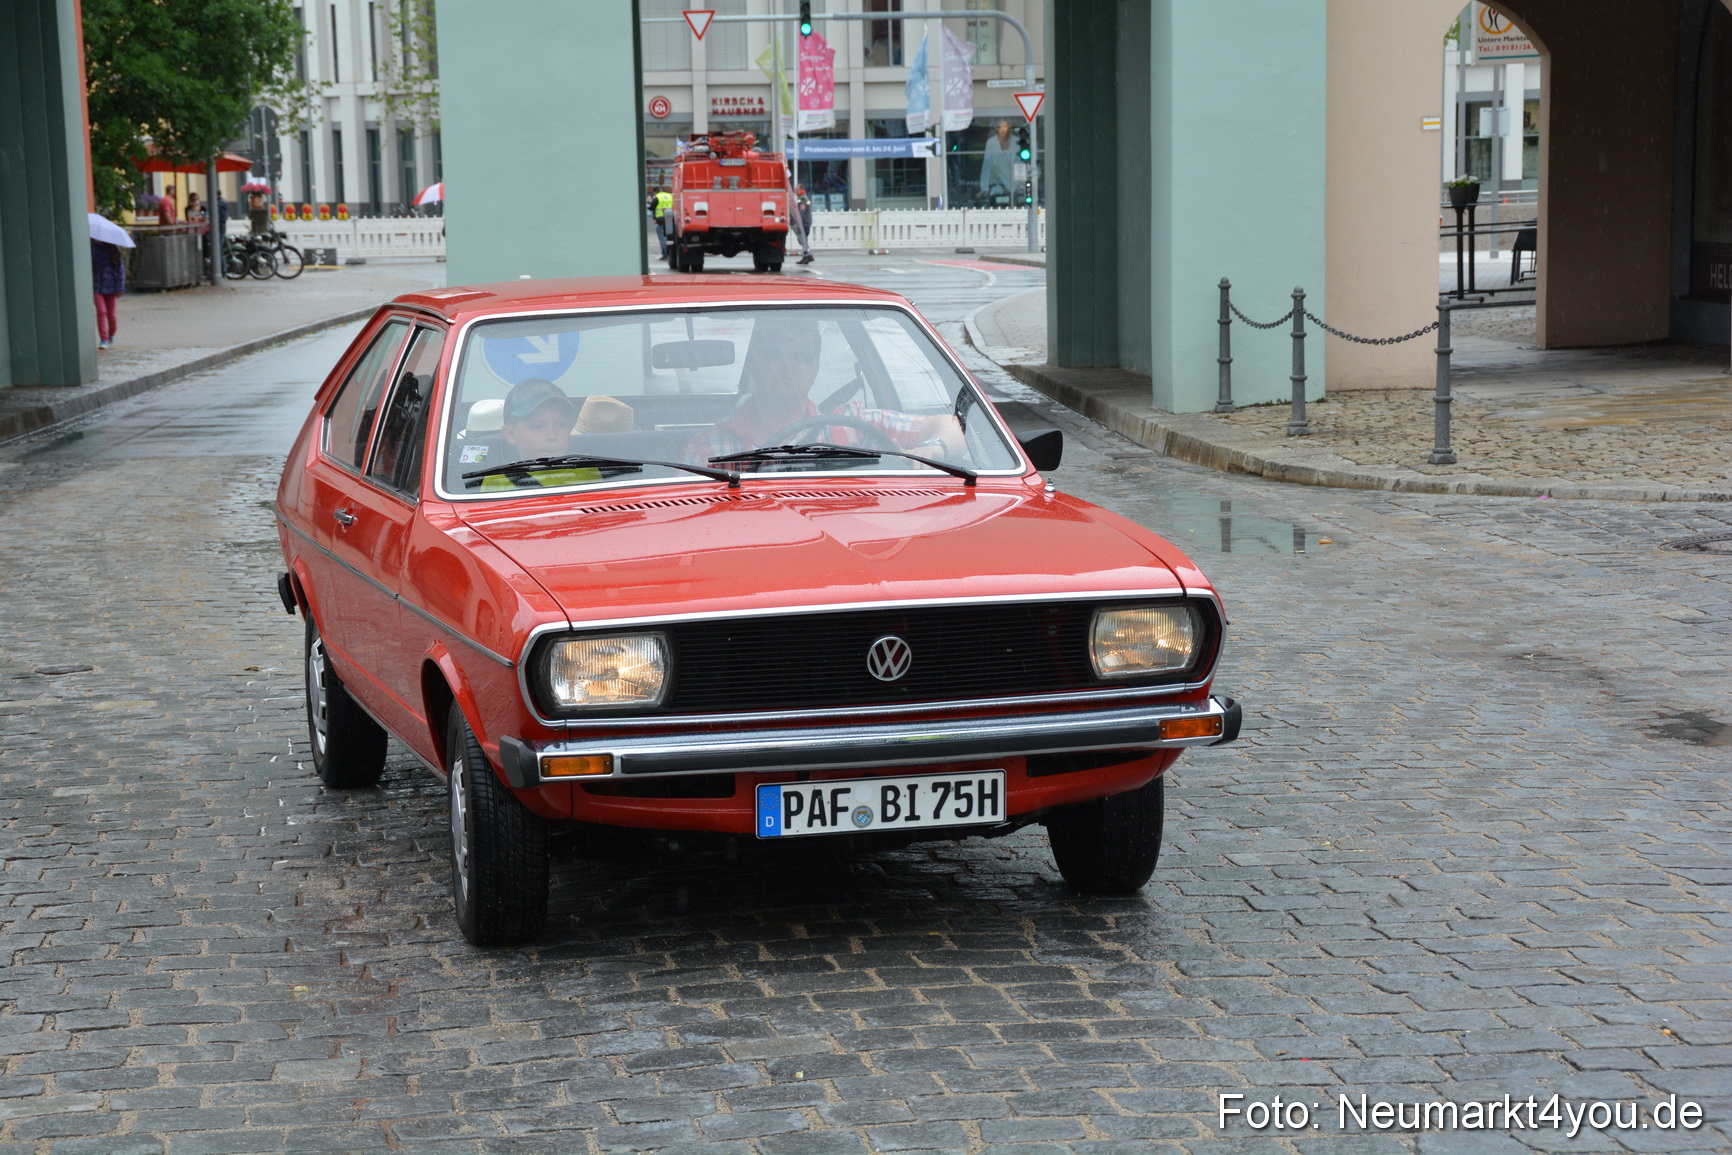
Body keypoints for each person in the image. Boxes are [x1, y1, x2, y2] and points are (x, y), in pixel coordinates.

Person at [683, 316, 964, 464]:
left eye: (802, 355)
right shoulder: (707, 448)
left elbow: (953, 427)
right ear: (755, 362)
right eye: (775, 352)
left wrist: (933, 452)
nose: (788, 364)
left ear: (815, 367)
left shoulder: (858, 427)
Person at [90, 239, 125, 350]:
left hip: (111, 288)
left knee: (112, 316)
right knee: (101, 312)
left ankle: (111, 334)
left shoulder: (113, 250)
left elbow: (120, 271)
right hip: (96, 287)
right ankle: (103, 339)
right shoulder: (90, 249)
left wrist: (119, 288)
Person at [979, 119, 1017, 202]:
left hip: (1016, 187)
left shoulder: (1017, 142)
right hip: (997, 185)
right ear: (996, 128)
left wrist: (1021, 186)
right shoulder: (991, 143)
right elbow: (986, 166)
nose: (1002, 129)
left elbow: (1022, 166)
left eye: (1005, 126)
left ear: (1009, 127)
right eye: (999, 127)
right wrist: (984, 188)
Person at [794, 185, 814, 265]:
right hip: (806, 222)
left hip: (804, 223)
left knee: (802, 240)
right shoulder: (803, 198)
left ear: (801, 189)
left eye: (796, 189)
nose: (795, 191)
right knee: (803, 240)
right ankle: (806, 256)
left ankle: (808, 255)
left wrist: (799, 223)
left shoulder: (802, 199)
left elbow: (802, 212)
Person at [653, 186, 673, 259]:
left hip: (660, 219)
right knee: (669, 237)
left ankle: (665, 254)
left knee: (662, 237)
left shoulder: (657, 197)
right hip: (670, 218)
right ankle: (669, 253)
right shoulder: (670, 196)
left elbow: (652, 207)